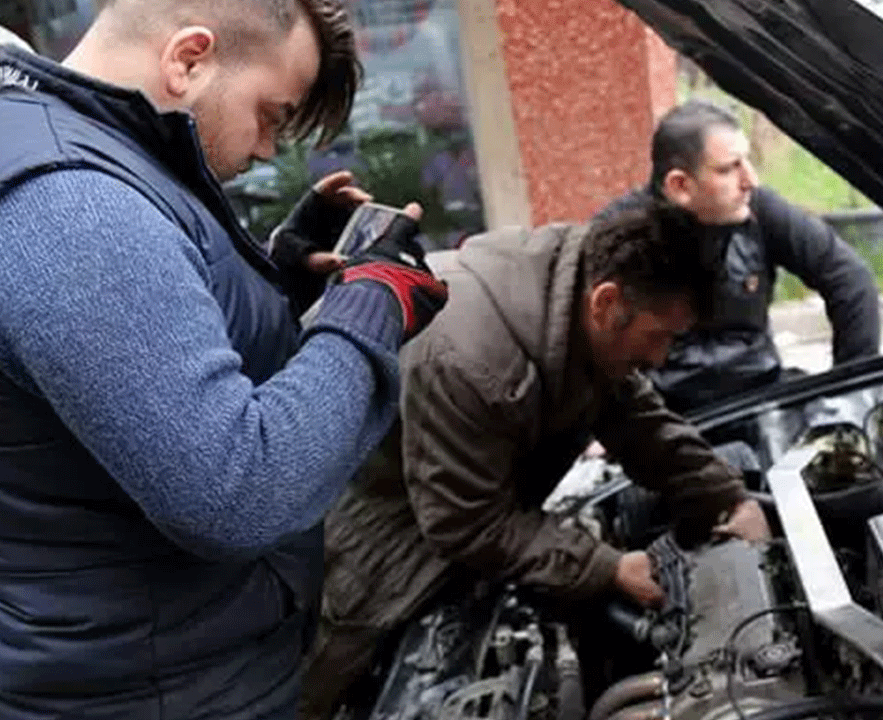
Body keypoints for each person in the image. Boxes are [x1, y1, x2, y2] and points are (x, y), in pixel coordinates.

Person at [0, 1, 449, 718]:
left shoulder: (99, 155)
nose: (270, 147)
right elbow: (234, 491)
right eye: (272, 113)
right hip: (151, 693)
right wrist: (372, 305)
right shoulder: (72, 202)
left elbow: (133, 363)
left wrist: (282, 276)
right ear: (188, 59)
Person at [298, 201, 771, 719]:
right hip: (353, 549)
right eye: (663, 336)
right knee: (302, 698)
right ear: (607, 303)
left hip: (434, 506)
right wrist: (608, 568)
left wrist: (727, 496)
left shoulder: (573, 292)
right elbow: (465, 522)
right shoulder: (473, 363)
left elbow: (638, 422)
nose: (661, 358)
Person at [595, 99, 882, 415]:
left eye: (746, 161)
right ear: (680, 185)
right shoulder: (619, 235)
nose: (751, 180)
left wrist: (853, 392)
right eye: (729, 168)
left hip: (762, 400)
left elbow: (849, 279)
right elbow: (577, 331)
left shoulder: (760, 210)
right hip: (663, 417)